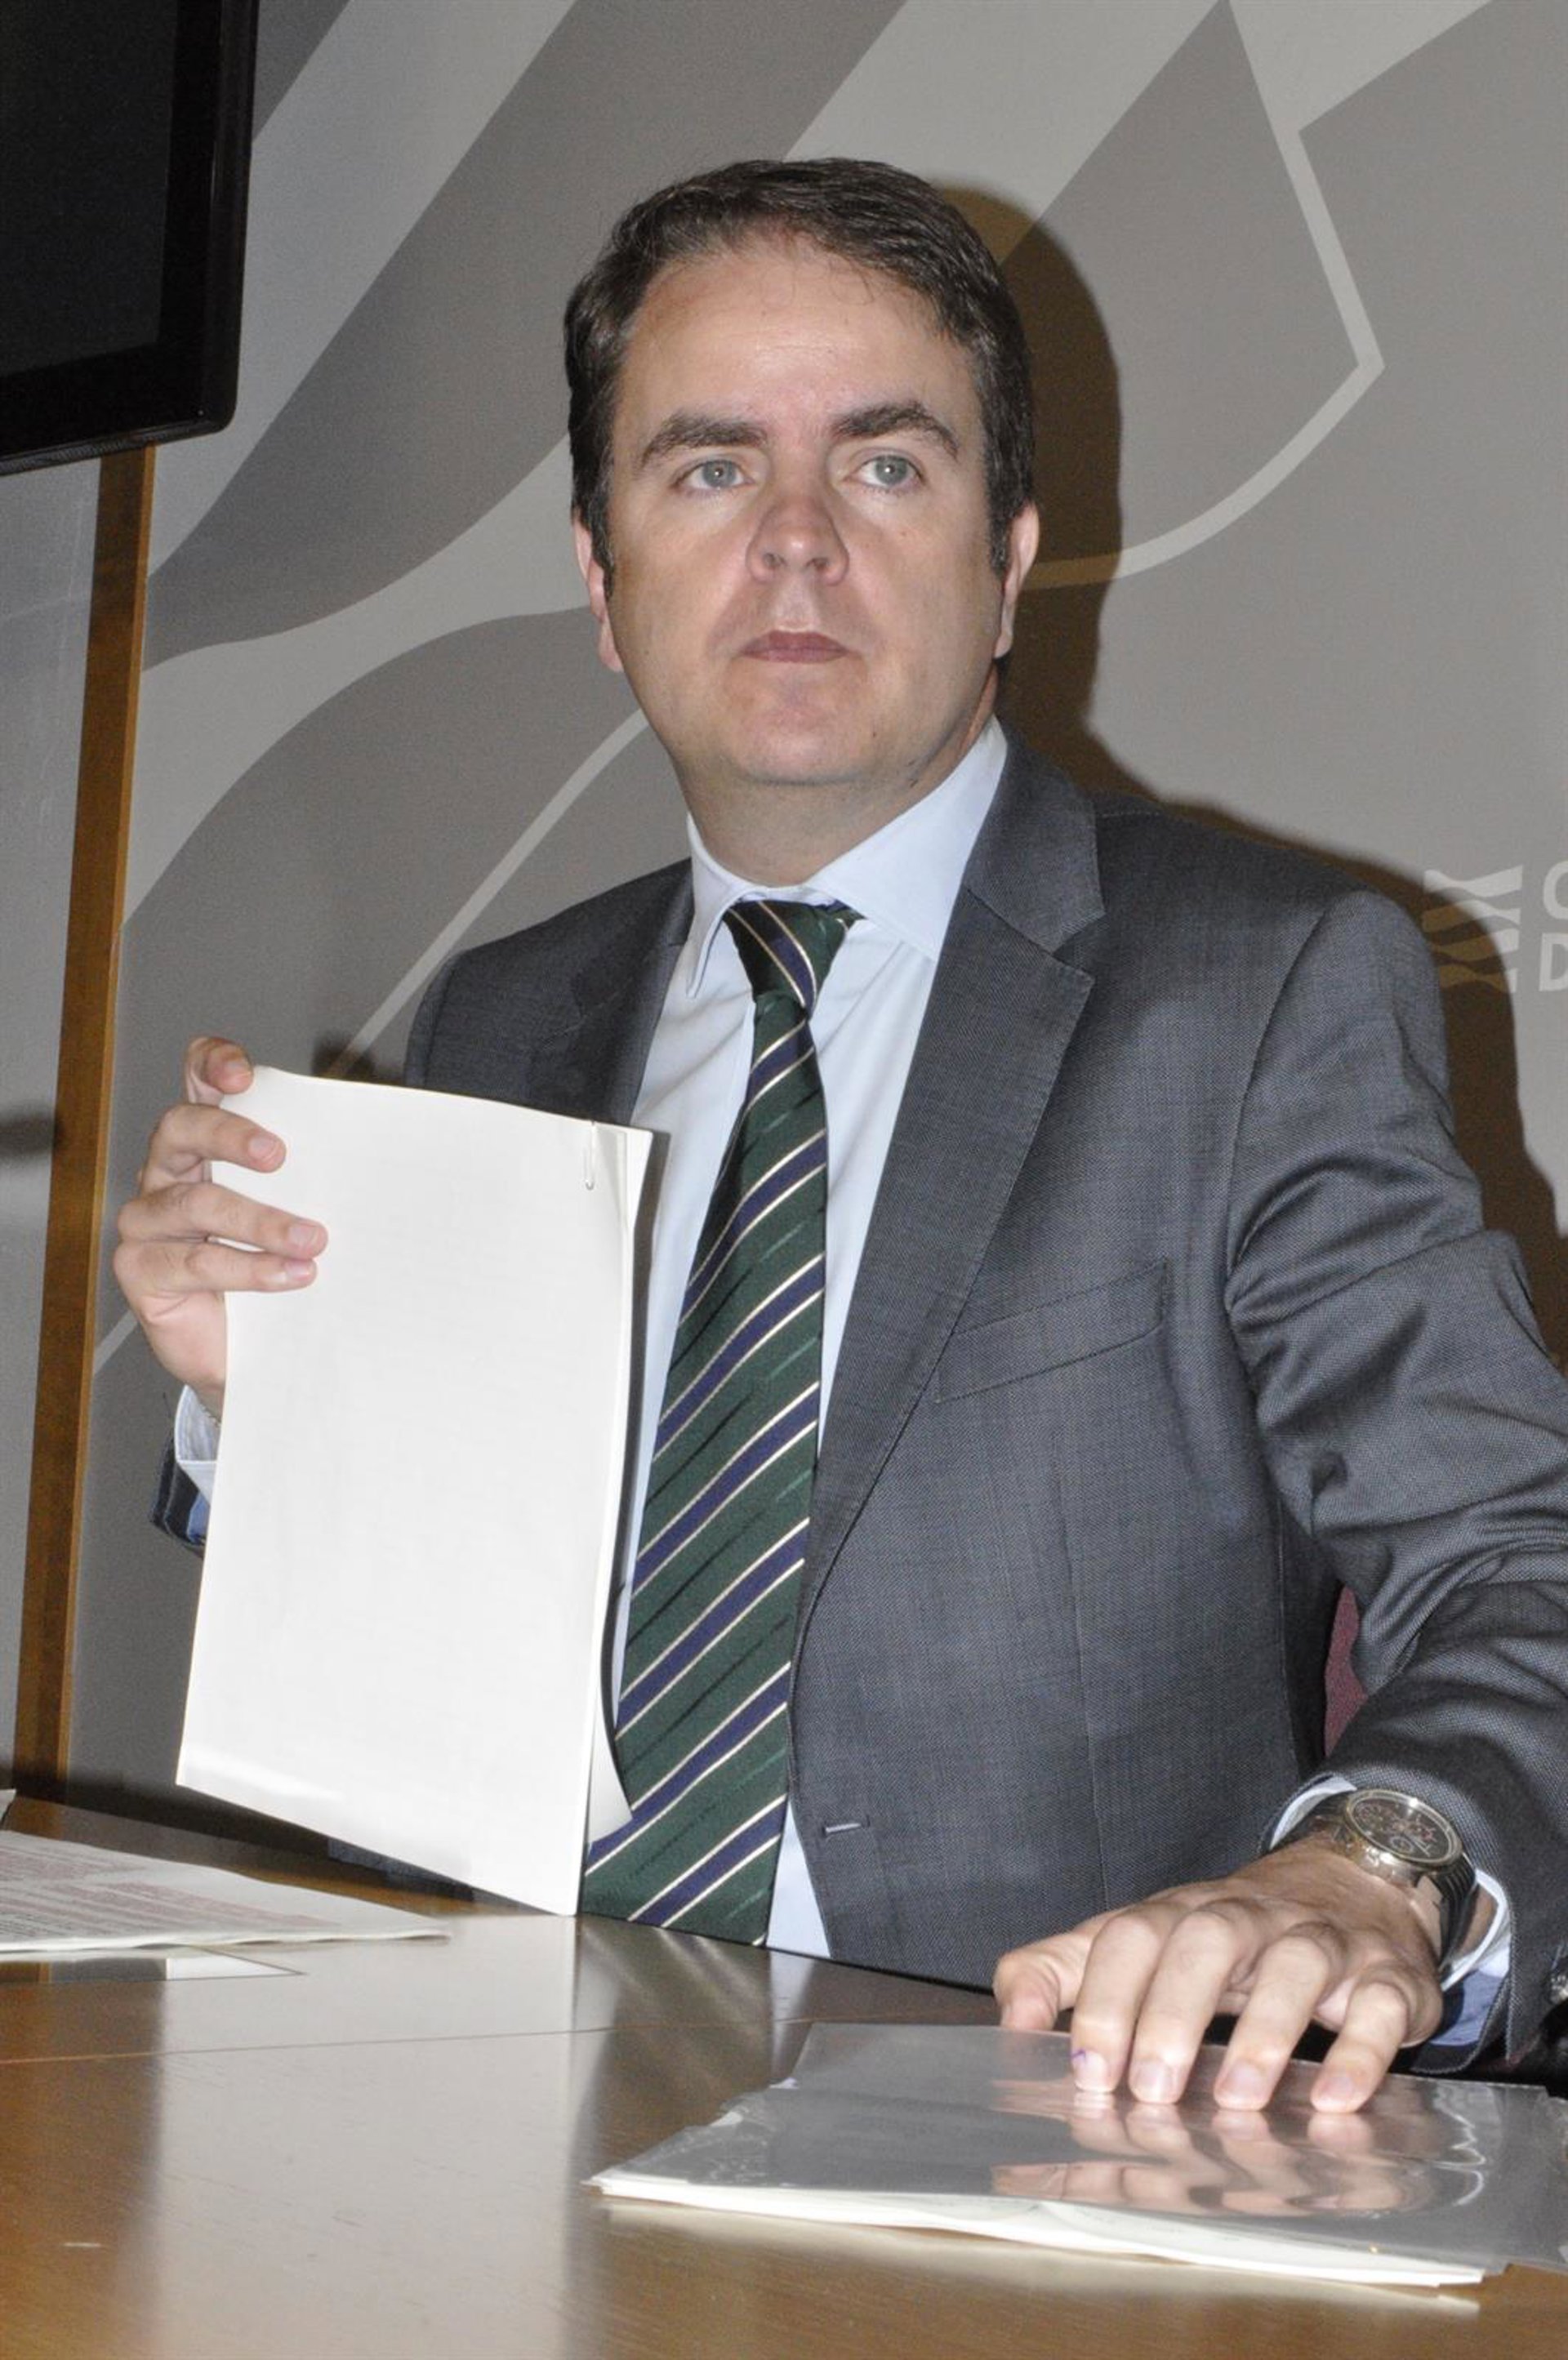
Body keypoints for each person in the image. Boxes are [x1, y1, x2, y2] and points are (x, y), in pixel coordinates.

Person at [114, 158, 1568, 2118]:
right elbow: (443, 1654)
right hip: (476, 2101)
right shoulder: (500, 1021)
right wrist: (276, 1402)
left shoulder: (1259, 989)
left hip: (1041, 2136)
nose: (795, 542)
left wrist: (1365, 1870)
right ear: (602, 580)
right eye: (710, 469)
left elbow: (1516, 1558)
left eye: (884, 465)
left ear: (1010, 557)